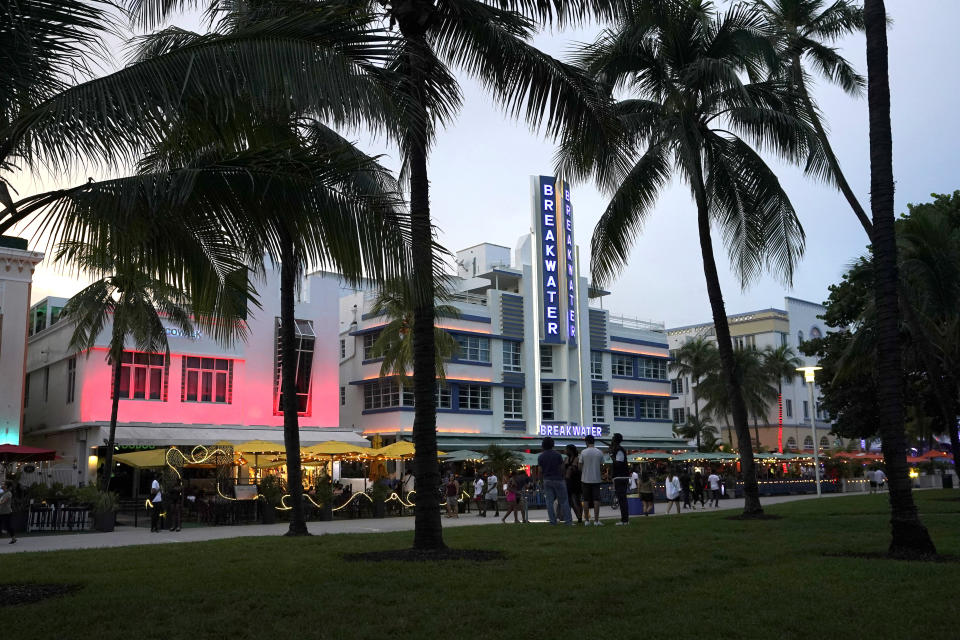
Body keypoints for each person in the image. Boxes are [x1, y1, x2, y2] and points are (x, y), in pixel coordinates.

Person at [537, 437, 572, 525]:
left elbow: (540, 470)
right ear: (553, 444)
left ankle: (552, 521)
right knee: (564, 501)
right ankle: (568, 521)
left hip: (547, 479)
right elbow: (562, 468)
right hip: (558, 479)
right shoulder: (557, 455)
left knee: (549, 502)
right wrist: (563, 476)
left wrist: (540, 481)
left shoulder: (541, 456)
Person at [579, 434, 604, 526]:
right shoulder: (599, 452)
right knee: (596, 500)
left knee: (585, 500)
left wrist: (584, 471)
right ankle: (596, 521)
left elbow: (580, 465)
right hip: (596, 479)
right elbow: (601, 466)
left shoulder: (583, 452)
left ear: (586, 442)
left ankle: (587, 521)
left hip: (585, 479)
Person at [608, 433, 630, 525]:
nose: (611, 439)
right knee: (621, 499)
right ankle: (624, 520)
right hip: (620, 477)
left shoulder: (619, 450)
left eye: (613, 438)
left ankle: (625, 520)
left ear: (616, 440)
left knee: (622, 499)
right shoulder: (618, 449)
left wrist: (611, 455)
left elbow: (618, 463)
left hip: (621, 477)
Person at [564, 444, 584, 524]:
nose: (565, 451)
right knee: (571, 501)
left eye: (566, 449)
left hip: (576, 482)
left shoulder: (577, 459)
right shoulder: (566, 459)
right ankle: (579, 517)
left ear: (570, 450)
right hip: (568, 482)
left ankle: (579, 517)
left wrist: (572, 469)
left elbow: (580, 470)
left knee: (576, 500)